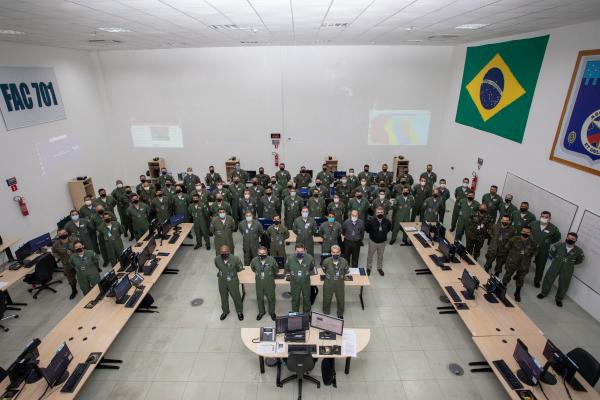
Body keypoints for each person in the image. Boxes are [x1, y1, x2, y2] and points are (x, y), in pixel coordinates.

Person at [538, 233, 584, 307]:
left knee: (564, 283)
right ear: (566, 237)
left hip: (567, 269)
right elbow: (552, 253)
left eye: (573, 239)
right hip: (555, 265)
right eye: (569, 238)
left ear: (576, 240)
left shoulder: (579, 251)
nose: (570, 240)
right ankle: (543, 293)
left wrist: (569, 263)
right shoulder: (558, 245)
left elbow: (579, 260)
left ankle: (559, 299)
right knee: (548, 278)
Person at [502, 226, 538, 302]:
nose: (525, 233)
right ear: (521, 231)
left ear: (530, 233)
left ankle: (517, 292)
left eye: (528, 232)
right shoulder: (513, 239)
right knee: (507, 275)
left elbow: (534, 253)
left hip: (524, 265)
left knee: (520, 278)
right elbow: (507, 248)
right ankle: (502, 287)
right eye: (524, 231)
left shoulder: (533, 243)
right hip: (512, 262)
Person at [531, 211, 561, 288]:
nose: (544, 218)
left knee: (540, 266)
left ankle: (537, 280)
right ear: (540, 216)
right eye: (543, 216)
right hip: (531, 247)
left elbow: (557, 237)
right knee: (524, 261)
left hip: (543, 250)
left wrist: (548, 242)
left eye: (546, 217)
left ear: (549, 218)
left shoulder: (553, 228)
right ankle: (518, 275)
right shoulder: (533, 224)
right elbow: (528, 232)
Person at [214, 245, 244, 321]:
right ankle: (225, 311)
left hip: (233, 280)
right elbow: (218, 266)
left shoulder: (235, 259)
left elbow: (239, 268)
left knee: (236, 296)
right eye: (222, 252)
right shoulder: (217, 259)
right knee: (223, 296)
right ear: (219, 252)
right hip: (222, 280)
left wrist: (232, 273)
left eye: (226, 252)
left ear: (229, 251)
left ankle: (239, 311)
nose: (224, 254)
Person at [285, 243, 314, 313]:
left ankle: (306, 313)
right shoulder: (290, 259)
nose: (300, 253)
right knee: (295, 299)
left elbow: (311, 268)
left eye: (301, 251)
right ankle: (295, 313)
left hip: (305, 282)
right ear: (295, 251)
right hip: (295, 283)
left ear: (304, 251)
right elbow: (287, 268)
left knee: (307, 299)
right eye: (298, 251)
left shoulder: (310, 258)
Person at [250, 246, 277, 320]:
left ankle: (272, 312)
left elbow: (276, 269)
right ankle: (261, 312)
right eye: (260, 253)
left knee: (271, 298)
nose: (262, 255)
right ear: (257, 253)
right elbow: (253, 268)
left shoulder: (272, 260)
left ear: (267, 253)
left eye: (264, 253)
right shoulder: (254, 261)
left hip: (269, 283)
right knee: (260, 298)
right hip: (259, 283)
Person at [322, 245, 349, 318]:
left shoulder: (344, 261)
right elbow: (324, 270)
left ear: (340, 252)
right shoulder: (326, 261)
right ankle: (326, 312)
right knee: (326, 299)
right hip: (328, 283)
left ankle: (340, 313)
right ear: (331, 253)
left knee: (340, 299)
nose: (335, 254)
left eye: (337, 252)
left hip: (339, 283)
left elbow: (346, 271)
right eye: (333, 252)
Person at [51, 229, 78, 299]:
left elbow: (81, 247)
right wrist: (59, 257)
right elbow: (54, 252)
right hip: (67, 264)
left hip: (77, 262)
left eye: (64, 233)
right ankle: (74, 290)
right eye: (60, 233)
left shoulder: (74, 239)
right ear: (58, 235)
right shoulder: (56, 245)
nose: (63, 234)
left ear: (67, 233)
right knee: (71, 279)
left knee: (83, 275)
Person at [365, 207, 392, 276]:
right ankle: (368, 268)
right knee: (370, 256)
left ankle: (379, 268)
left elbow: (388, 229)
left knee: (380, 256)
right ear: (375, 213)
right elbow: (367, 230)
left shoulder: (387, 221)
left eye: (381, 213)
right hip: (372, 242)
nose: (379, 214)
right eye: (378, 213)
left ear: (383, 213)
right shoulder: (370, 221)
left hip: (382, 243)